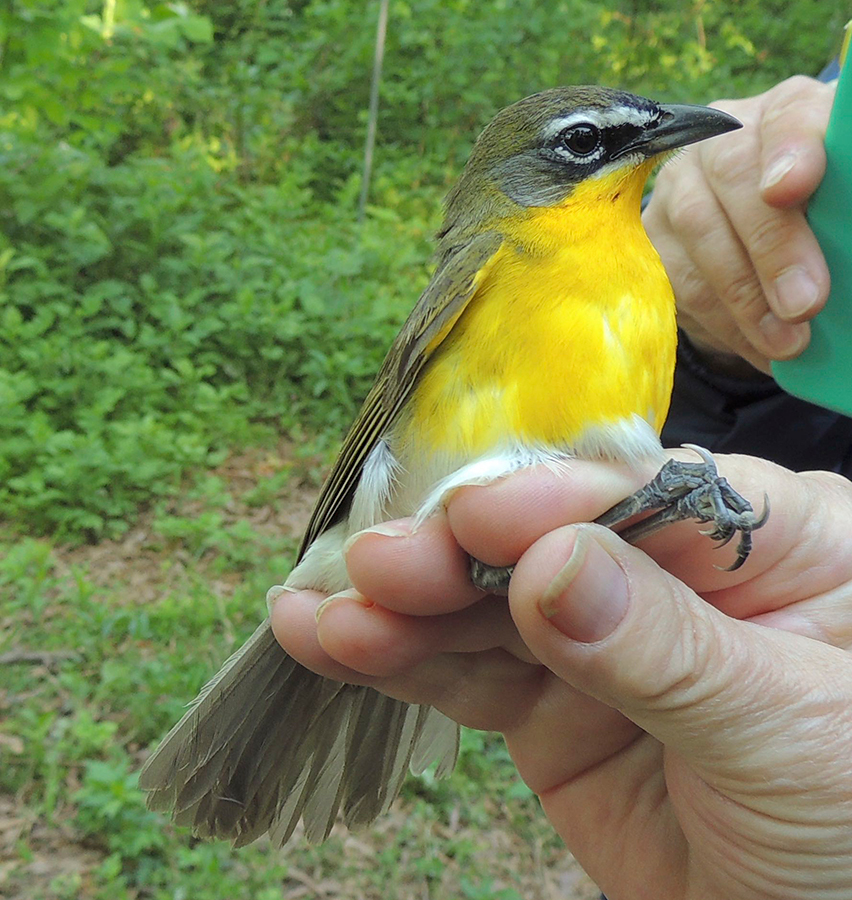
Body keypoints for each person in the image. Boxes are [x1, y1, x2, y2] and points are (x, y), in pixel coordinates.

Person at [271, 75, 852, 898]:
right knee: (496, 557)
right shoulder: (499, 254)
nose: (632, 150)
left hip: (501, 563)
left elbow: (603, 466)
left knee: (529, 552)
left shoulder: (641, 277)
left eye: (634, 138)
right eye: (587, 143)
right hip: (418, 528)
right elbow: (388, 423)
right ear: (518, 178)